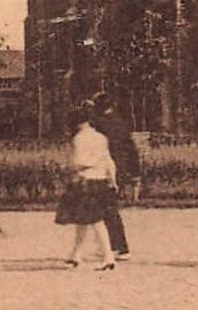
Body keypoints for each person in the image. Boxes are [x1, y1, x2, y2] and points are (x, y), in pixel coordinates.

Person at [54, 104, 118, 271]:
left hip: (86, 182)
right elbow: (109, 161)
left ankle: (108, 257)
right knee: (84, 220)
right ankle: (76, 255)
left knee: (95, 221)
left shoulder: (79, 139)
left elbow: (78, 161)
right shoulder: (101, 137)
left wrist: (72, 168)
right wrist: (113, 179)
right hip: (101, 180)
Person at [91, 92, 140, 261]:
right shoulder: (121, 123)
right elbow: (132, 149)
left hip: (104, 170)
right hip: (121, 170)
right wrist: (135, 174)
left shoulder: (98, 125)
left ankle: (119, 246)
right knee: (108, 208)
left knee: (107, 209)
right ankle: (112, 245)